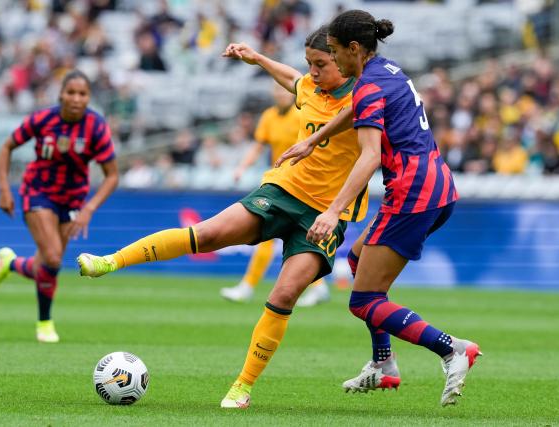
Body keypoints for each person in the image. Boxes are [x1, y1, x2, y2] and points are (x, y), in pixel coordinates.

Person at [76, 25, 373, 409]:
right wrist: (258, 58)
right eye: (309, 64)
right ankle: (110, 261)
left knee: (284, 293)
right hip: (282, 191)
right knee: (207, 234)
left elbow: (371, 151)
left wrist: (336, 212)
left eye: (320, 64)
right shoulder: (309, 89)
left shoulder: (368, 98)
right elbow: (292, 79)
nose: (313, 73)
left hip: (328, 214)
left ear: (344, 59)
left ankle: (242, 386)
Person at [277, 10, 481, 407]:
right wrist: (314, 139)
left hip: (411, 192)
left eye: (334, 53)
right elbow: (356, 109)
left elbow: (369, 156)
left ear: (354, 49)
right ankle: (383, 365)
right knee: (356, 262)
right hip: (438, 184)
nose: (332, 61)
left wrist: (333, 210)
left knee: (364, 300)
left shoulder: (368, 85)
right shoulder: (387, 70)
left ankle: (452, 349)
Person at [0, 70, 119, 343]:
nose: (77, 99)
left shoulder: (96, 126)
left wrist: (89, 209)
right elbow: (7, 147)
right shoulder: (43, 119)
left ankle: (9, 263)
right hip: (38, 192)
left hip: (72, 199)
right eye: (71, 93)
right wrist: (3, 189)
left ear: (89, 98)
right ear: (61, 95)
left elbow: (112, 175)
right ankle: (44, 323)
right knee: (54, 257)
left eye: (83, 94)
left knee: (47, 263)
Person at [220, 82, 330, 306]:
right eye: (276, 91)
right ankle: (316, 287)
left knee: (287, 236)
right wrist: (242, 167)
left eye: (283, 90)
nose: (280, 94)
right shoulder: (269, 116)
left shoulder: (302, 114)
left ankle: (249, 287)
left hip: (302, 183)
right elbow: (259, 146)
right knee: (280, 236)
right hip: (280, 181)